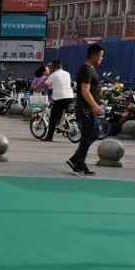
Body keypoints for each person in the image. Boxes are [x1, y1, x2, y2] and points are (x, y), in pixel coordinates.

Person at [67, 44, 106, 175]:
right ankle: (78, 161)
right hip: (86, 110)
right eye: (100, 56)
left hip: (89, 110)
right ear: (93, 55)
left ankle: (77, 160)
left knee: (91, 134)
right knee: (91, 134)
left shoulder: (91, 69)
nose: (102, 59)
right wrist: (95, 106)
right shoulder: (86, 70)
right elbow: (85, 91)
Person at [44, 60, 74, 142]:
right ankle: (62, 125)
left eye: (51, 67)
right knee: (62, 112)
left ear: (54, 67)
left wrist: (49, 74)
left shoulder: (54, 74)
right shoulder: (67, 73)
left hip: (60, 99)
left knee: (53, 117)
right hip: (70, 97)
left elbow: (46, 84)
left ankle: (49, 137)